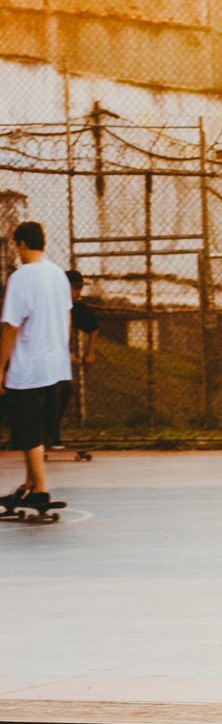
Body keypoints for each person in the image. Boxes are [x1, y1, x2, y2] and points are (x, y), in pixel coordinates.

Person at [0, 220, 71, 516]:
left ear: (22, 244)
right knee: (39, 430)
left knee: (28, 430)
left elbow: (11, 327)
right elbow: (67, 316)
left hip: (29, 368)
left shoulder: (21, 277)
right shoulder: (58, 274)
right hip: (56, 366)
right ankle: (30, 483)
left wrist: (1, 366)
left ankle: (40, 490)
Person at [46, 268, 99, 450]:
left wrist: (90, 353)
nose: (78, 292)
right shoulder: (50, 305)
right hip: (36, 355)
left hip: (54, 357)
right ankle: (45, 434)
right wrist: (65, 355)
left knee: (65, 390)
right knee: (51, 391)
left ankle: (51, 433)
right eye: (74, 287)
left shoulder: (77, 307)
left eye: (80, 287)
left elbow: (93, 326)